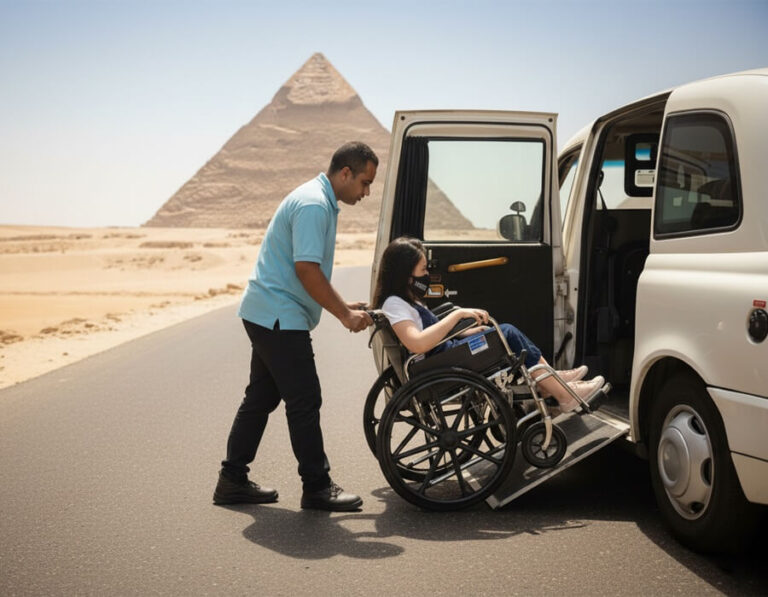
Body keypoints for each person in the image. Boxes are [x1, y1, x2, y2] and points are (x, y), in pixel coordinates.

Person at [213, 142, 378, 512]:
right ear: (345, 173)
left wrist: (342, 303)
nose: (367, 192)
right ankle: (317, 487)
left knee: (261, 397)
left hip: (267, 311)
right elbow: (307, 269)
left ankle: (232, 480)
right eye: (365, 183)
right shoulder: (314, 205)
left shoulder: (318, 198)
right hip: (278, 316)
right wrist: (344, 315)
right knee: (304, 399)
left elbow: (304, 269)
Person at [372, 237, 604, 412]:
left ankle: (551, 382)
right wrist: (457, 316)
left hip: (444, 354)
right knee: (508, 334)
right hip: (437, 365)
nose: (426, 275)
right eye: (423, 270)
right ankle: (562, 393)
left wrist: (465, 333)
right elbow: (417, 343)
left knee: (503, 332)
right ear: (404, 272)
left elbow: (428, 334)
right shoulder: (395, 304)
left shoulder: (406, 299)